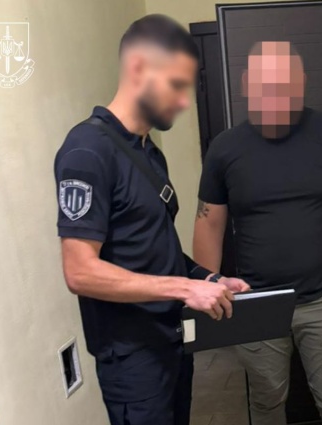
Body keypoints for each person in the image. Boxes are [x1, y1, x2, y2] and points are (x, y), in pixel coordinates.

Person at [54, 15, 249, 425]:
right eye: (176, 85)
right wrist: (185, 289)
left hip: (172, 343)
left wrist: (208, 278)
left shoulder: (148, 153)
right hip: (132, 362)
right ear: (139, 68)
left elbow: (155, 247)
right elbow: (79, 272)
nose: (184, 101)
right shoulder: (87, 151)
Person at [193, 41, 322, 425]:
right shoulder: (225, 149)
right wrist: (208, 284)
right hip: (256, 301)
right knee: (266, 402)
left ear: (302, 84)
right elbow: (209, 221)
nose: (275, 97)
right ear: (246, 84)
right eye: (265, 87)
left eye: (284, 87)